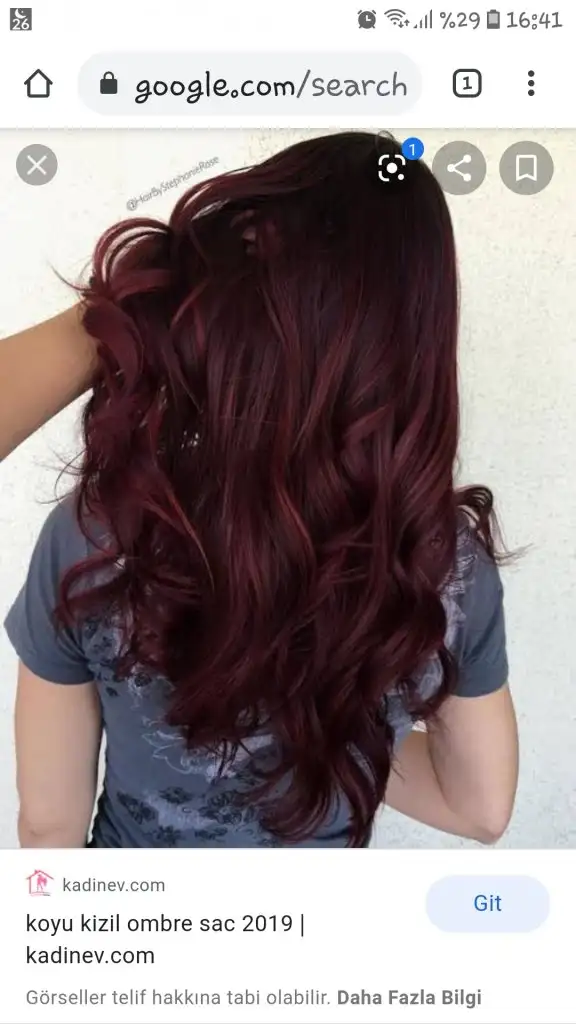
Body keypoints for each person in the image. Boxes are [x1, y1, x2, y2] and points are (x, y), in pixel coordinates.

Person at [2, 131, 518, 849]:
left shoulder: (101, 534)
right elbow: (479, 809)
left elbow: (48, 827)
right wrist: (332, 726)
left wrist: (118, 314)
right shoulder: (444, 564)